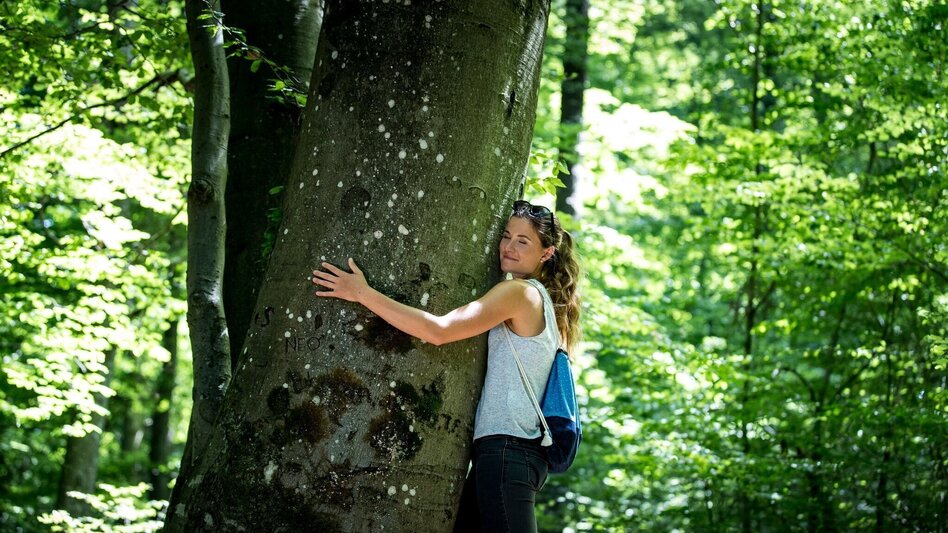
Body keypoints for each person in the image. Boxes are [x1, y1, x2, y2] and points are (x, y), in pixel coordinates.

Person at [311, 200, 581, 533]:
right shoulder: (545, 303)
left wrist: (363, 293)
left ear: (546, 253)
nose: (508, 247)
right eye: (506, 235)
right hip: (506, 456)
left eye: (522, 241)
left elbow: (438, 331)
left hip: (508, 454)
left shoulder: (520, 293)